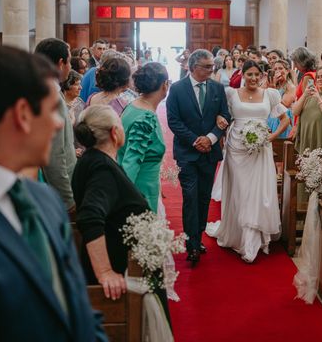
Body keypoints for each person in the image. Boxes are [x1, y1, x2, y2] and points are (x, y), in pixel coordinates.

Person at [0, 44, 107, 341]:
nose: (59, 123)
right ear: (22, 115)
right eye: (52, 111)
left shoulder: (44, 200)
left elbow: (79, 312)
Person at [71, 106, 166, 312]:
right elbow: (89, 215)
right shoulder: (102, 169)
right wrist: (105, 271)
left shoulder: (91, 159)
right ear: (115, 132)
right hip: (122, 269)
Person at [207, 61, 289, 263]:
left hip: (261, 149)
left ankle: (253, 240)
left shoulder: (270, 95)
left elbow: (285, 119)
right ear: (242, 75)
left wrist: (271, 137)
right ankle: (238, 234)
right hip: (237, 148)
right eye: (249, 74)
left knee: (257, 192)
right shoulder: (231, 94)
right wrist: (220, 120)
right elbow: (221, 115)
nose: (253, 78)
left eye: (256, 74)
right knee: (240, 191)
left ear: (262, 75)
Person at [166, 49, 231, 265]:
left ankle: (198, 235)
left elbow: (225, 116)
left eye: (212, 66)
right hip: (187, 152)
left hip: (210, 152)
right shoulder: (176, 89)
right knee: (190, 197)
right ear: (193, 66)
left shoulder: (217, 88)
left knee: (203, 197)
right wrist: (196, 140)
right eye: (207, 66)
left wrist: (211, 138)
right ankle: (191, 244)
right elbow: (174, 121)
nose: (212, 69)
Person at [118, 63, 168, 212]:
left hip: (146, 188)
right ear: (165, 85)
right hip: (141, 195)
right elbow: (131, 162)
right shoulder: (145, 119)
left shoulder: (133, 106)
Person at [35, 38, 76, 212]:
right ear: (60, 63)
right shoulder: (50, 96)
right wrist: (67, 199)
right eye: (69, 62)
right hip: (55, 193)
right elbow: (55, 153)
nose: (71, 67)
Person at [267, 59, 296, 138]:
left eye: (280, 68)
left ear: (287, 71)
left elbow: (285, 104)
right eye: (275, 69)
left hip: (283, 119)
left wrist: (272, 88)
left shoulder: (291, 86)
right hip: (272, 117)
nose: (277, 71)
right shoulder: (276, 86)